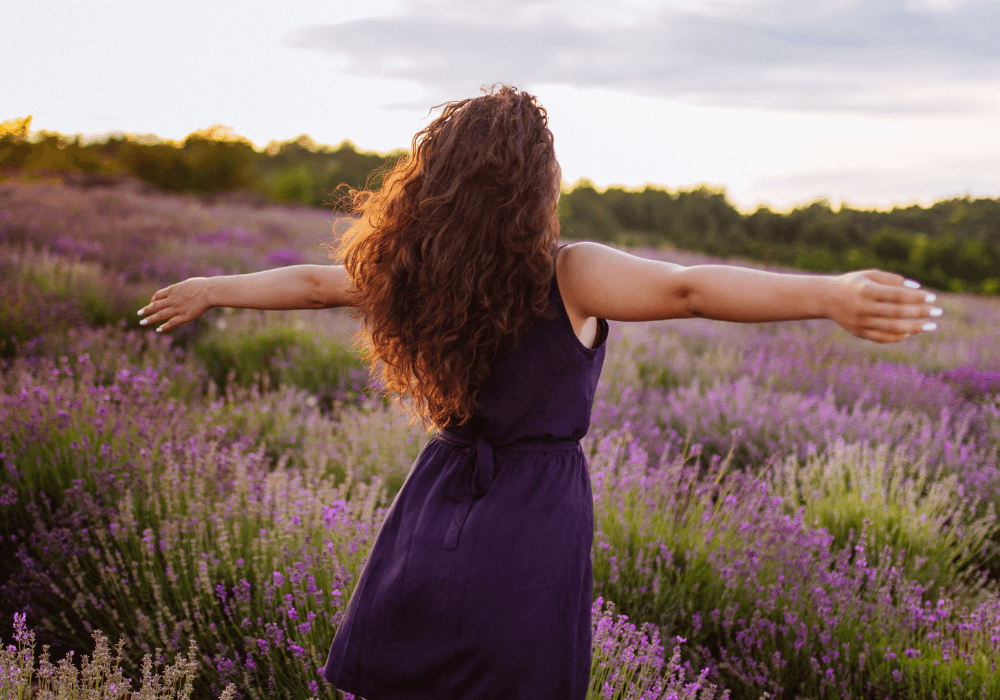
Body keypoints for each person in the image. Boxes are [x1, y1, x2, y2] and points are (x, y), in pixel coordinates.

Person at [137, 84, 942, 700]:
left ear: (436, 184)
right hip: (530, 511)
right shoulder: (569, 270)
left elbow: (317, 283)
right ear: (536, 186)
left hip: (437, 499)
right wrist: (826, 293)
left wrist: (214, 285)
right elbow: (690, 289)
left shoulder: (421, 269)